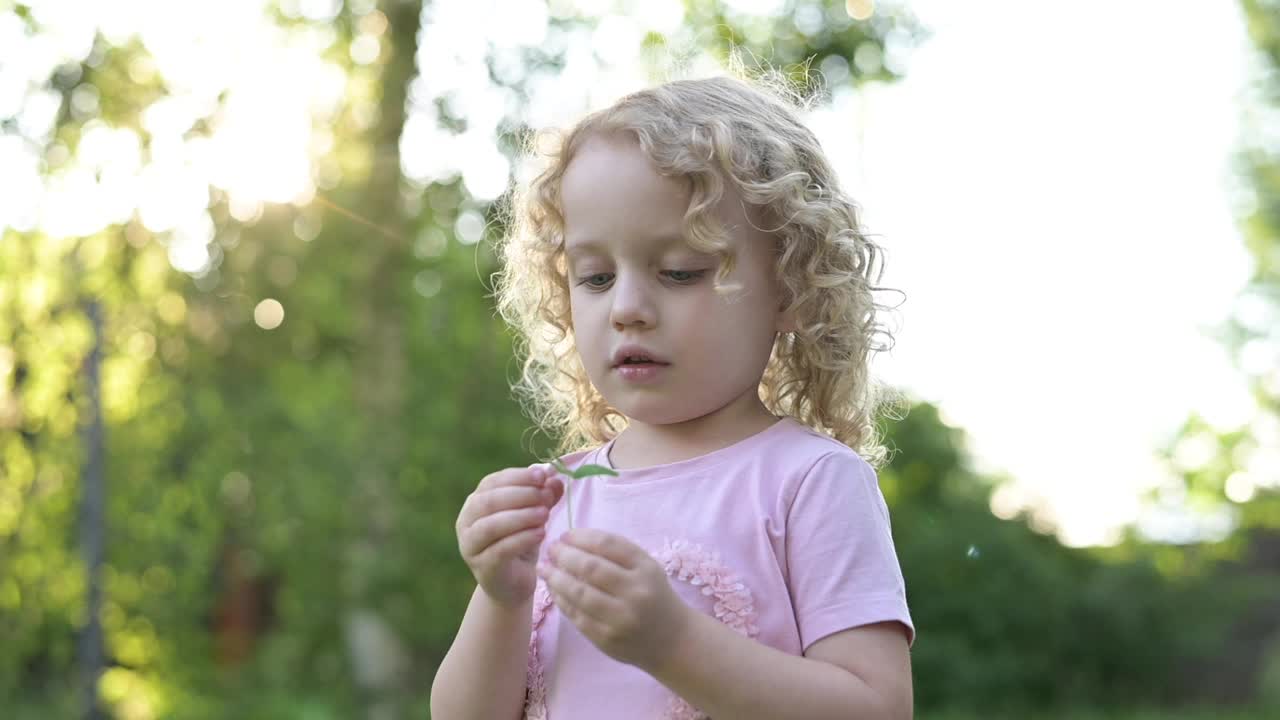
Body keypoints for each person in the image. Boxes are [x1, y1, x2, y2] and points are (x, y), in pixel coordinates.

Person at [430, 73, 915, 720]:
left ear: (792, 289)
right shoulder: (560, 498)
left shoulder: (810, 482)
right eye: (595, 277)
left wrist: (673, 641)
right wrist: (502, 594)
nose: (627, 308)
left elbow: (875, 708)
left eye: (680, 271)